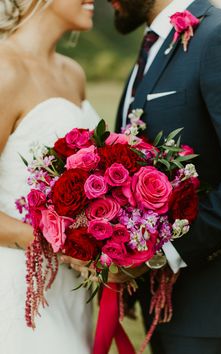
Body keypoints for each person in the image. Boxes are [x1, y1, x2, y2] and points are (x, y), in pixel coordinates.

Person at [108, 0, 221, 353]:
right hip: (160, 310)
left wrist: (167, 252)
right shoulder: (151, 45)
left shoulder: (219, 36)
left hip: (212, 307)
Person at [0, 0, 98, 353]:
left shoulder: (73, 73)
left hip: (73, 292)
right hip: (20, 284)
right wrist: (64, 243)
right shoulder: (4, 70)